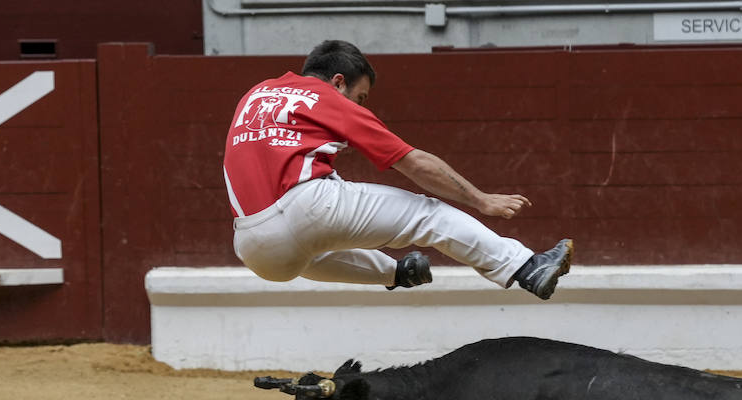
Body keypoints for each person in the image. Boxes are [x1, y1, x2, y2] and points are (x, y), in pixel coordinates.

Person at [223, 40, 572, 298]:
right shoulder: (325, 96)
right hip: (308, 205)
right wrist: (481, 200)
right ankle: (525, 266)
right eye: (360, 96)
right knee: (426, 214)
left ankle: (398, 273)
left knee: (308, 254)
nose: (360, 105)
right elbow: (414, 163)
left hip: (253, 244)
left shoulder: (256, 93)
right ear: (338, 81)